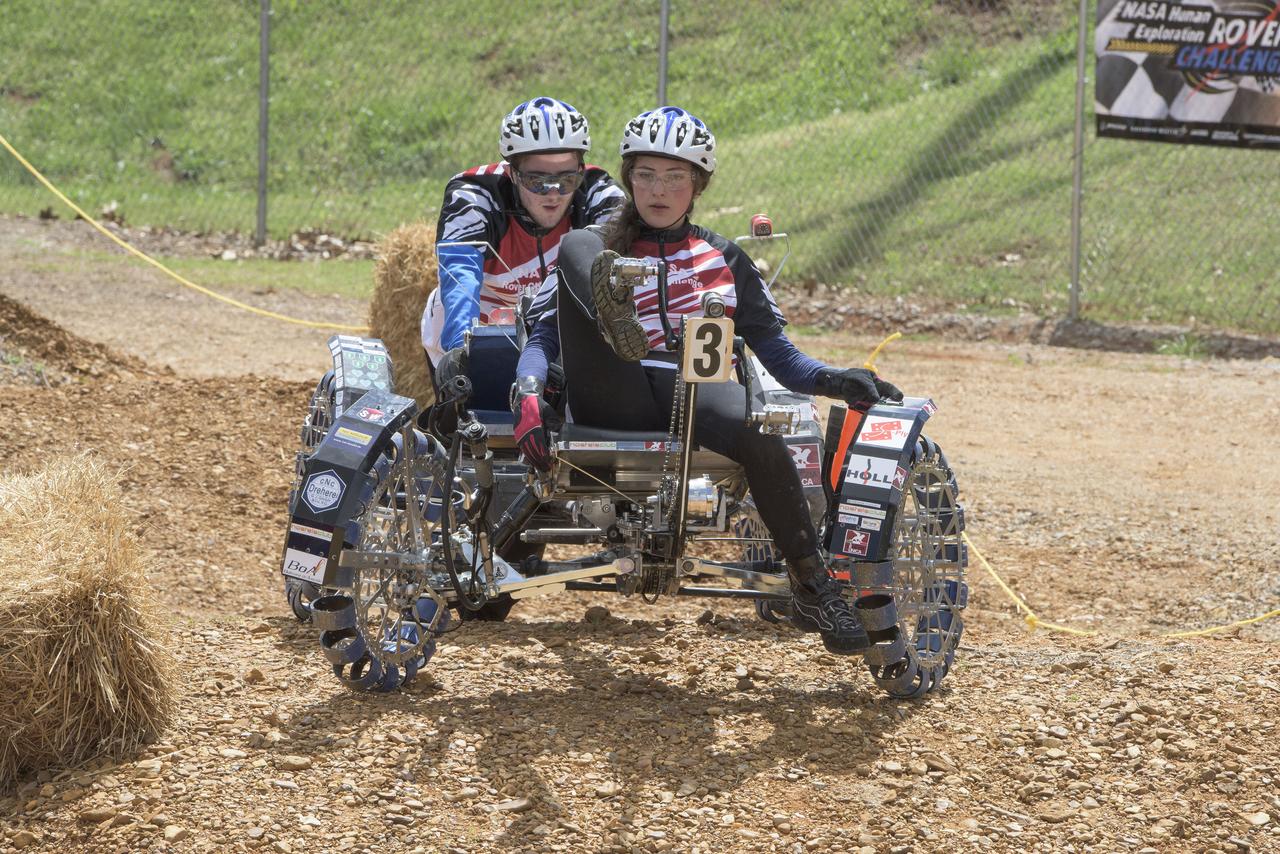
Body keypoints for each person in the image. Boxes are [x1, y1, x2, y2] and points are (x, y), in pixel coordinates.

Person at [510, 106, 903, 654]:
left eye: (675, 177)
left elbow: (779, 355)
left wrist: (835, 381)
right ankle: (614, 310)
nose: (658, 189)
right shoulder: (597, 243)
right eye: (645, 175)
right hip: (611, 385)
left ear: (698, 184)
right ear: (628, 180)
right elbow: (544, 339)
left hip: (696, 387)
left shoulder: (724, 256)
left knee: (761, 437)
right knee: (578, 246)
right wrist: (528, 391)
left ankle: (812, 584)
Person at [421, 97, 625, 382]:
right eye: (536, 180)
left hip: (558, 318)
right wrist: (460, 349)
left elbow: (623, 272)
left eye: (566, 179)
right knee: (443, 311)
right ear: (512, 174)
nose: (553, 193)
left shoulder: (599, 192)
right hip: (485, 313)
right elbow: (459, 274)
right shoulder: (474, 193)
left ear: (581, 170)